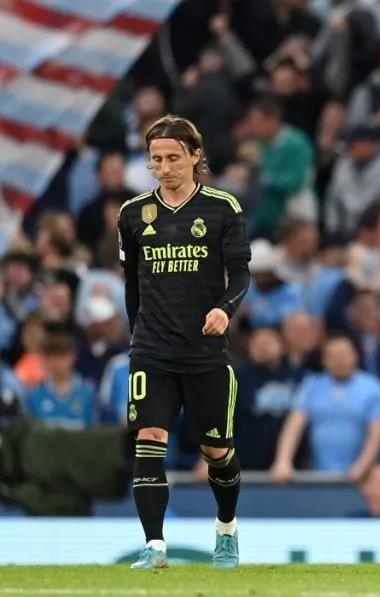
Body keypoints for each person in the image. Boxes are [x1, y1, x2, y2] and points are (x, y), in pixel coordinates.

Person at [117, 115, 252, 569]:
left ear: (196, 156)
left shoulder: (221, 208)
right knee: (149, 439)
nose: (165, 167)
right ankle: (154, 547)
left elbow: (242, 273)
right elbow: (132, 281)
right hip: (152, 350)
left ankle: (227, 530)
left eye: (174, 157)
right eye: (156, 159)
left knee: (217, 450)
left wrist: (224, 310)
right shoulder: (133, 214)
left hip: (205, 352)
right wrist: (134, 326)